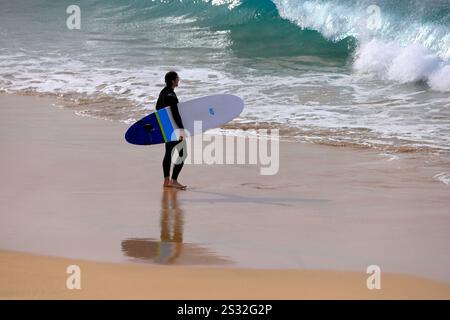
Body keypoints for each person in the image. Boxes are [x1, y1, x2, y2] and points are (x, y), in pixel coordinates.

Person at [156, 71, 187, 190]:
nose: (178, 80)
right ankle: (174, 180)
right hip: (174, 128)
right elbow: (175, 114)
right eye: (177, 78)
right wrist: (181, 129)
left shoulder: (163, 92)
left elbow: (158, 109)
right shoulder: (171, 96)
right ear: (173, 81)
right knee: (182, 154)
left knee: (168, 153)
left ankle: (166, 181)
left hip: (167, 127)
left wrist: (164, 126)